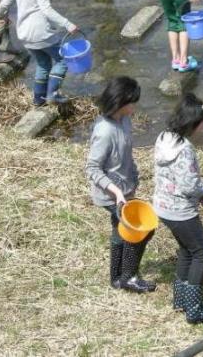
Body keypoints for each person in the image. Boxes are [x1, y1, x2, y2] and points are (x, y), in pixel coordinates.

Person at [153, 93, 203, 324]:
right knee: (202, 251)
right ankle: (194, 309)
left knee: (186, 249)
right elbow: (190, 185)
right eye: (202, 121)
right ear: (193, 122)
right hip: (179, 210)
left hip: (162, 205)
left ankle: (180, 299)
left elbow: (176, 179)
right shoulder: (184, 149)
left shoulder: (164, 138)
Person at [85, 76, 156, 293]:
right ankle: (129, 277)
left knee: (119, 230)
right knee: (142, 230)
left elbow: (126, 152)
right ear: (121, 103)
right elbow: (92, 168)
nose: (135, 106)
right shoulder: (104, 132)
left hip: (126, 187)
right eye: (132, 102)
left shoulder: (124, 120)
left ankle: (116, 276)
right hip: (112, 194)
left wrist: (134, 175)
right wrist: (116, 191)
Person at [0, 0, 78, 105]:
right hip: (41, 34)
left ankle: (38, 99)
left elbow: (5, 3)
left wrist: (0, 15)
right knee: (63, 60)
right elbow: (46, 10)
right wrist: (68, 24)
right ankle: (52, 94)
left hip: (25, 35)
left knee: (43, 64)